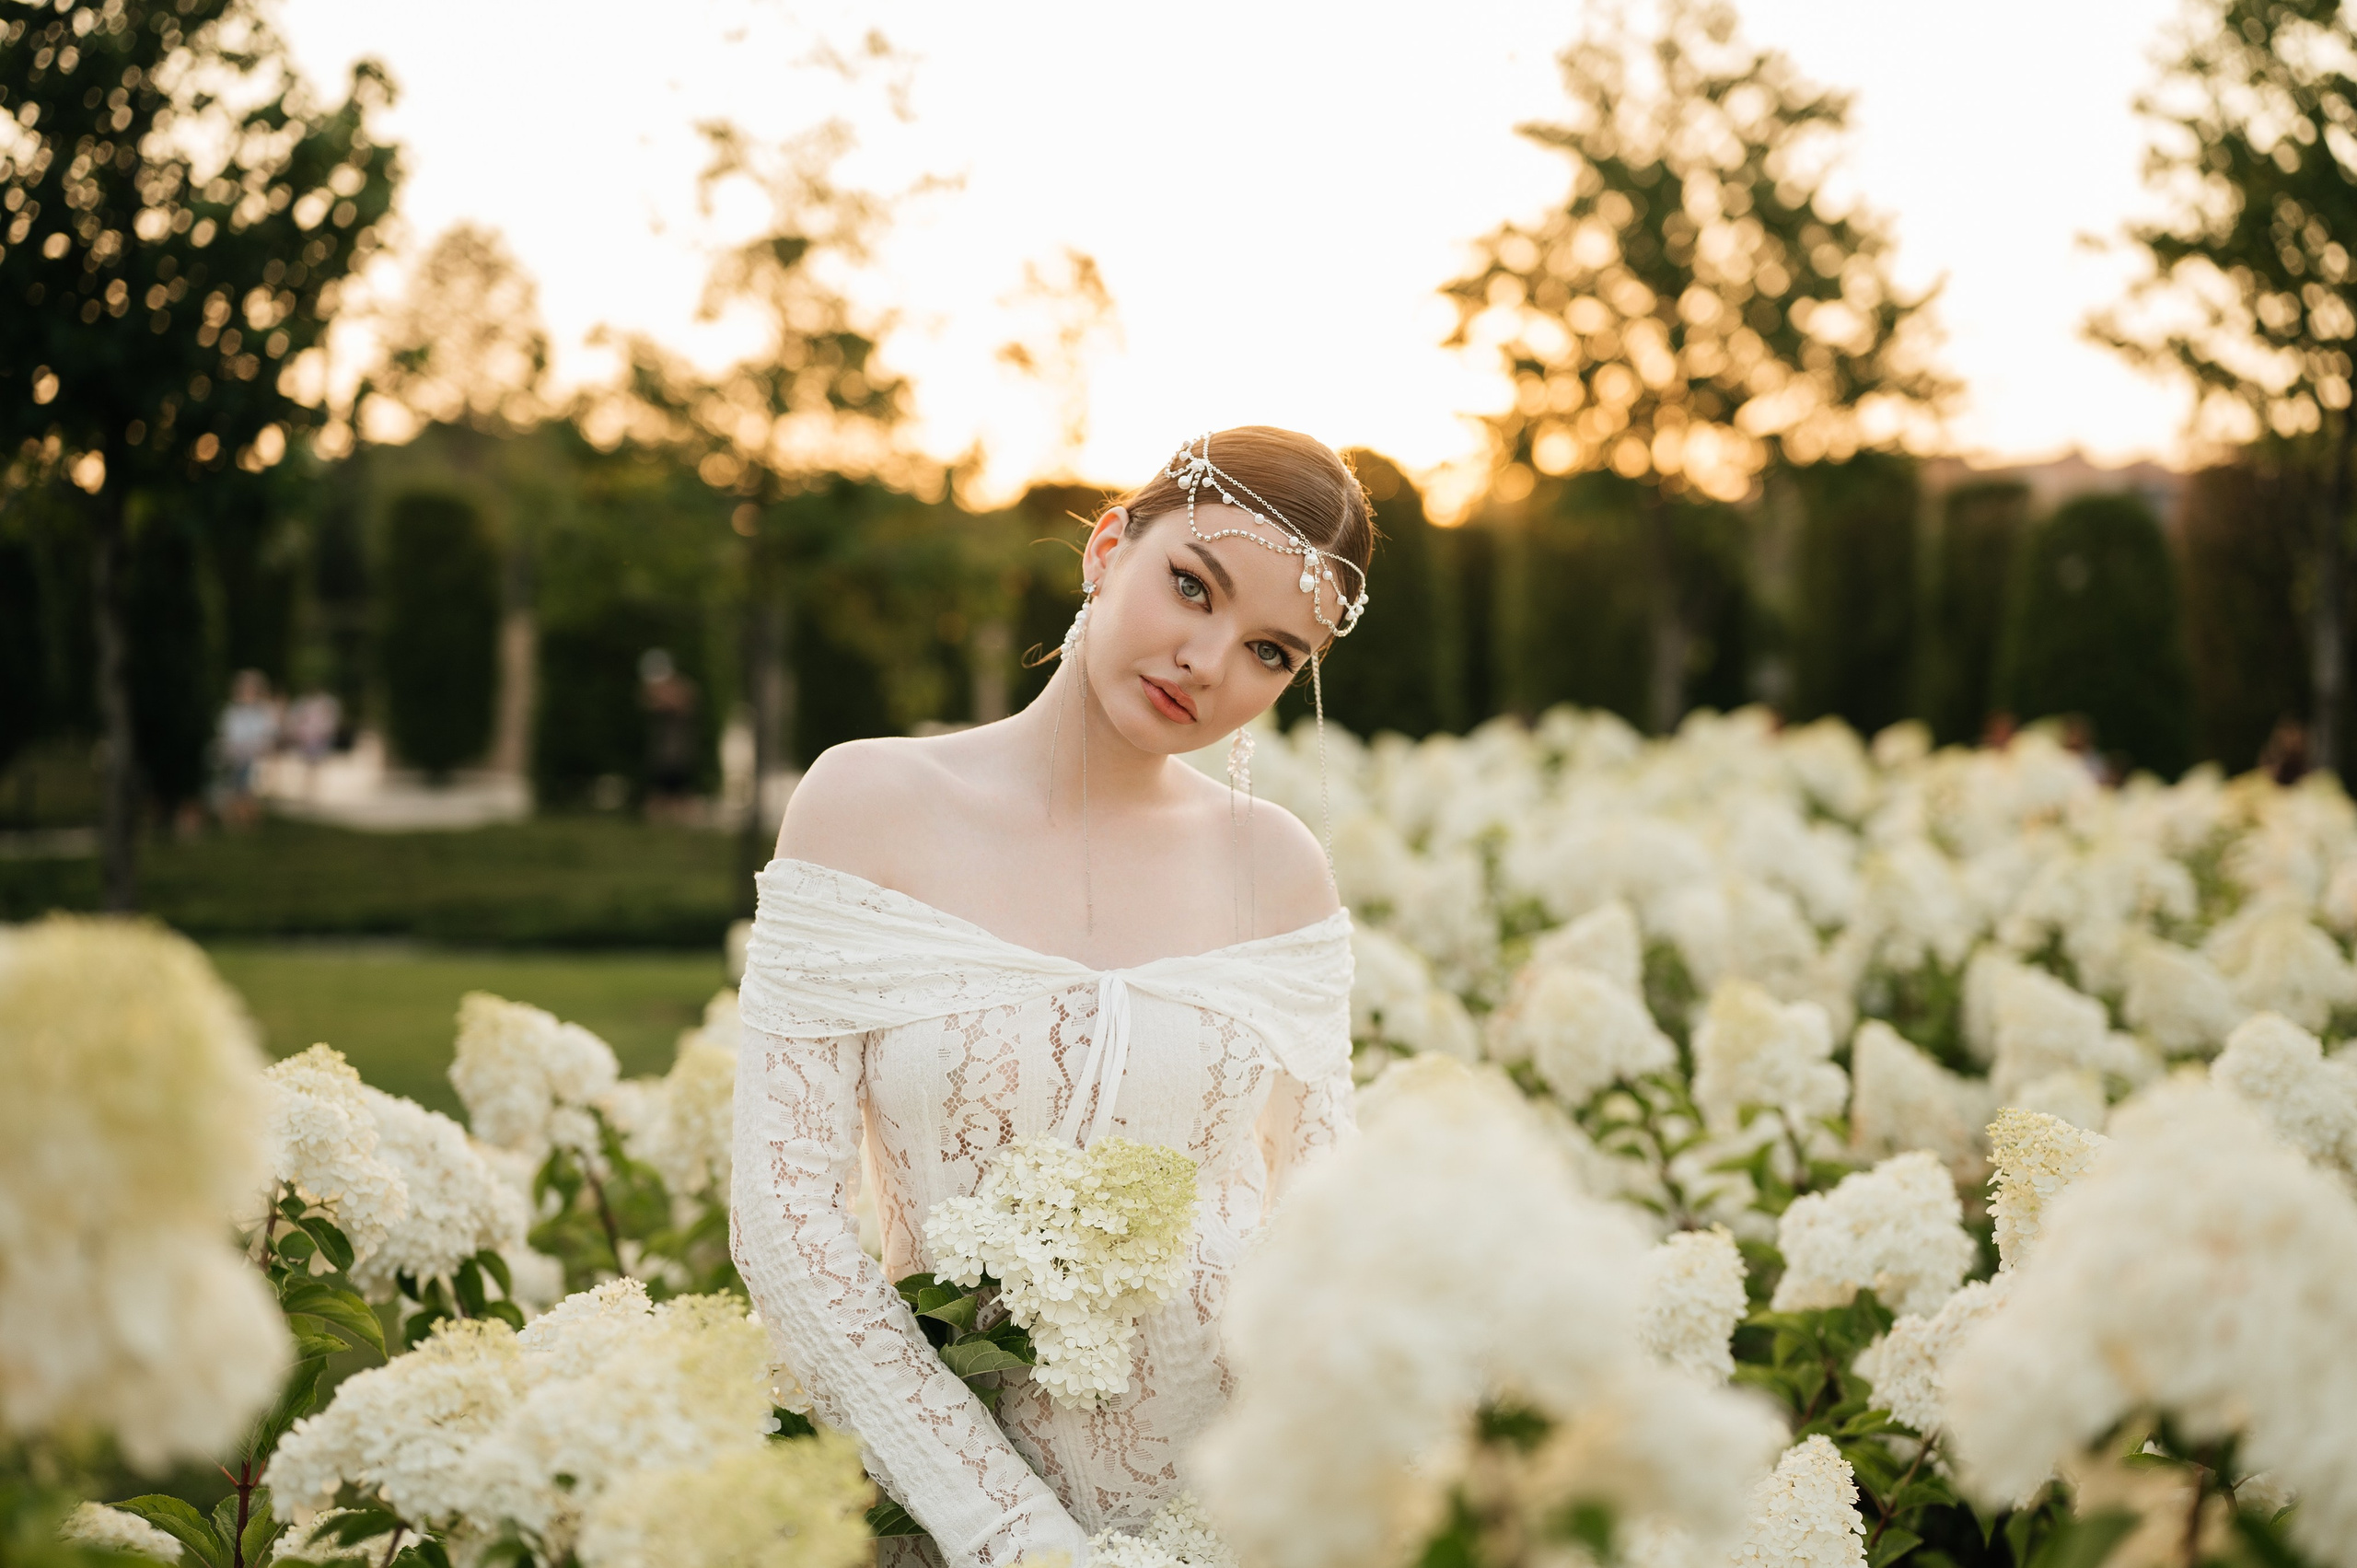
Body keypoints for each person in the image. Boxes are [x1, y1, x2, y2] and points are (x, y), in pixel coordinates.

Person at [730, 428, 1374, 1567]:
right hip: (949, 1512)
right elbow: (785, 1219)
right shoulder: (867, 803)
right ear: (1108, 547)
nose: (1209, 661)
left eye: (1272, 651)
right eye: (1190, 587)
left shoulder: (1283, 873)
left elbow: (1321, 1233)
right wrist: (1011, 1536)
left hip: (1230, 1518)